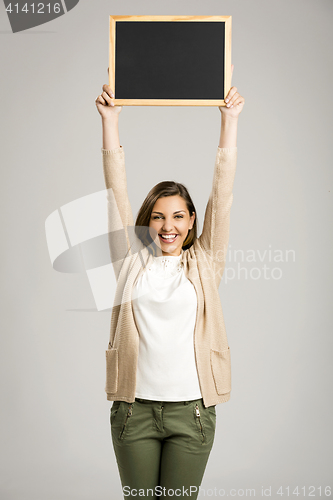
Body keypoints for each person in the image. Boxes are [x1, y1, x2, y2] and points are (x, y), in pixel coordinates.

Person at [95, 65, 245, 499]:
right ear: (147, 221)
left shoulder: (204, 263)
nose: (168, 226)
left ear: (192, 221)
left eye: (178, 216)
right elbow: (114, 192)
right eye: (159, 216)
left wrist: (229, 122)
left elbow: (224, 193)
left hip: (191, 414)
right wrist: (110, 122)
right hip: (133, 412)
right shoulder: (130, 262)